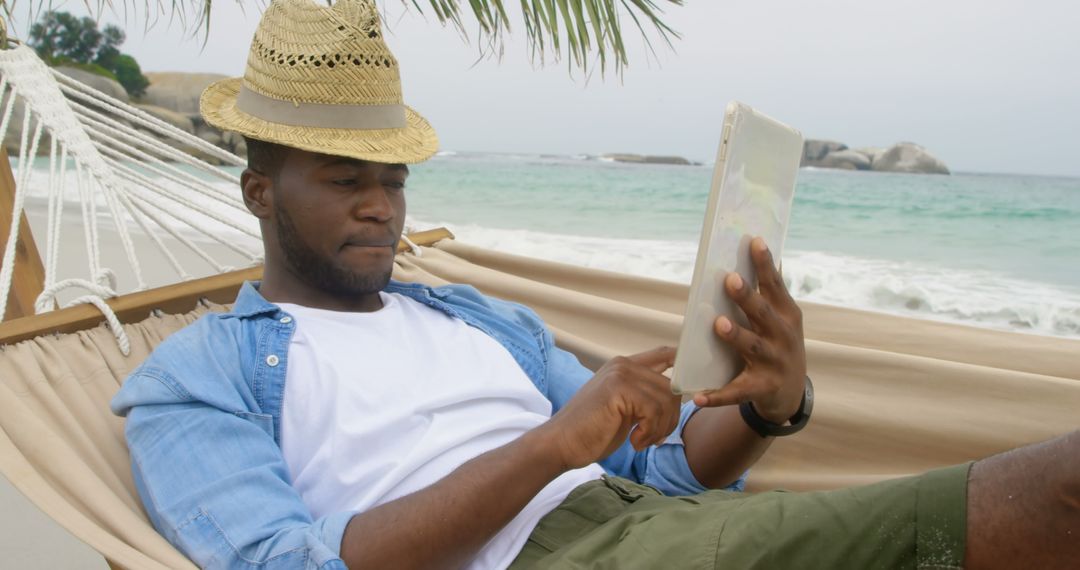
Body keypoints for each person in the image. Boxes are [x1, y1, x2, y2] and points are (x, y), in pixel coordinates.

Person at [111, 1, 1079, 568]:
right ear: (258, 191)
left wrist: (768, 404)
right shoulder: (196, 374)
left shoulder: (480, 319)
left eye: (394, 181)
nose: (380, 208)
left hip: (661, 528)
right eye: (345, 179)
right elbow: (285, 565)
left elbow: (656, 468)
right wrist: (547, 448)